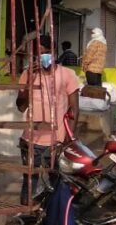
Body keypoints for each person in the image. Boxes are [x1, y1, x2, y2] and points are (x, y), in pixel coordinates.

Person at [15, 35, 80, 204]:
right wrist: (30, 79)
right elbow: (21, 106)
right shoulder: (28, 74)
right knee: (29, 186)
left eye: (46, 51)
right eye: (39, 53)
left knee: (57, 183)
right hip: (31, 139)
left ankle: (53, 218)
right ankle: (27, 222)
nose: (43, 56)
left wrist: (69, 136)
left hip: (56, 140)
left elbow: (74, 108)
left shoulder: (67, 74)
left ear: (54, 52)